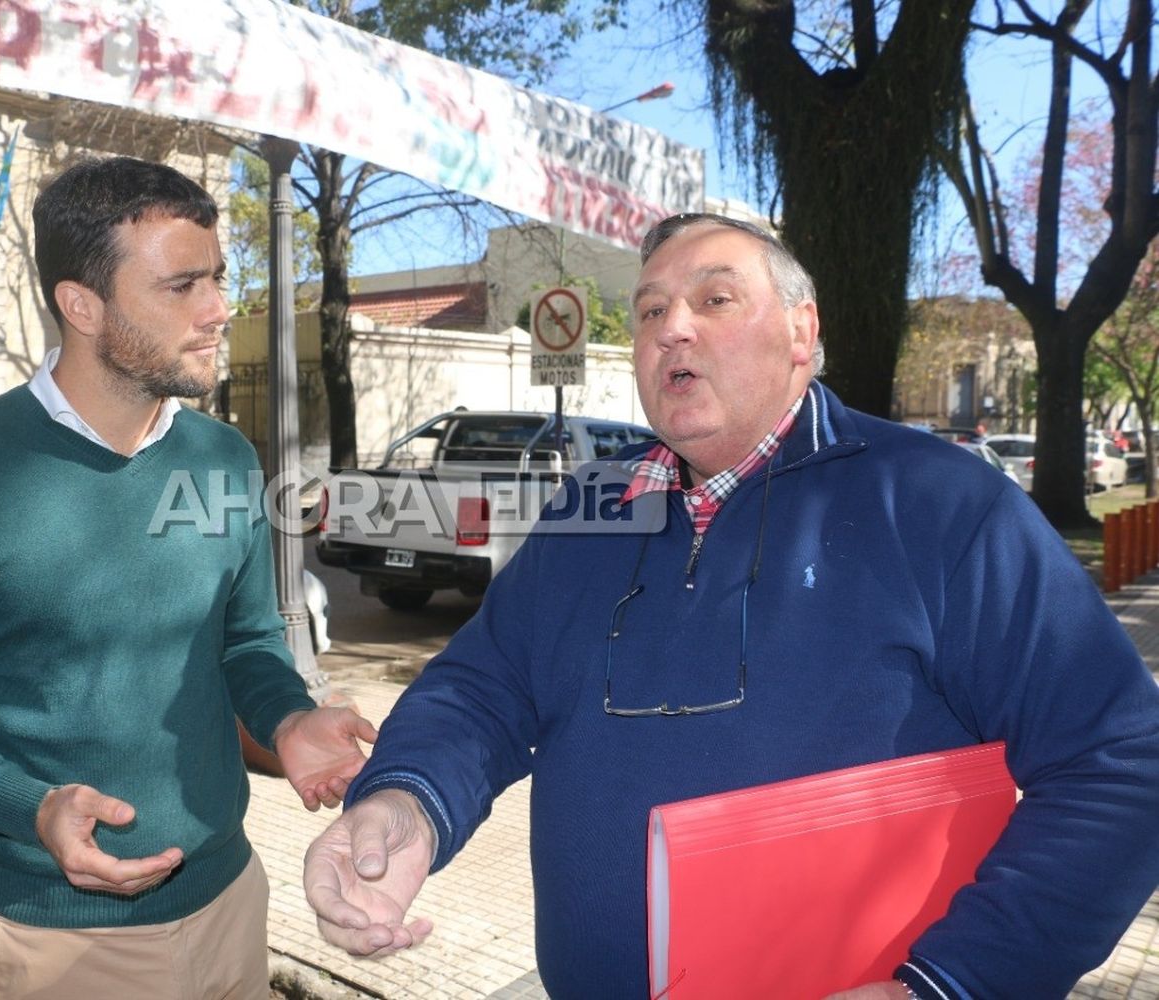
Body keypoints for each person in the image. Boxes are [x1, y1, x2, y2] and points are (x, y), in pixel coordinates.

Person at [302, 213, 1159, 999]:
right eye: (647, 312)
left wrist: (951, 983)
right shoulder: (591, 507)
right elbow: (482, 691)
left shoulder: (938, 503)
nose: (672, 326)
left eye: (714, 298)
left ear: (802, 332)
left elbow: (1119, 762)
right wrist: (405, 804)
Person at [0, 155, 376, 1000]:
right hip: (51, 945)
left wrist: (288, 717)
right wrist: (26, 805)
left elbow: (244, 639)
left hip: (230, 906)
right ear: (80, 305)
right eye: (181, 286)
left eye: (218, 279)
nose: (218, 310)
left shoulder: (225, 459)